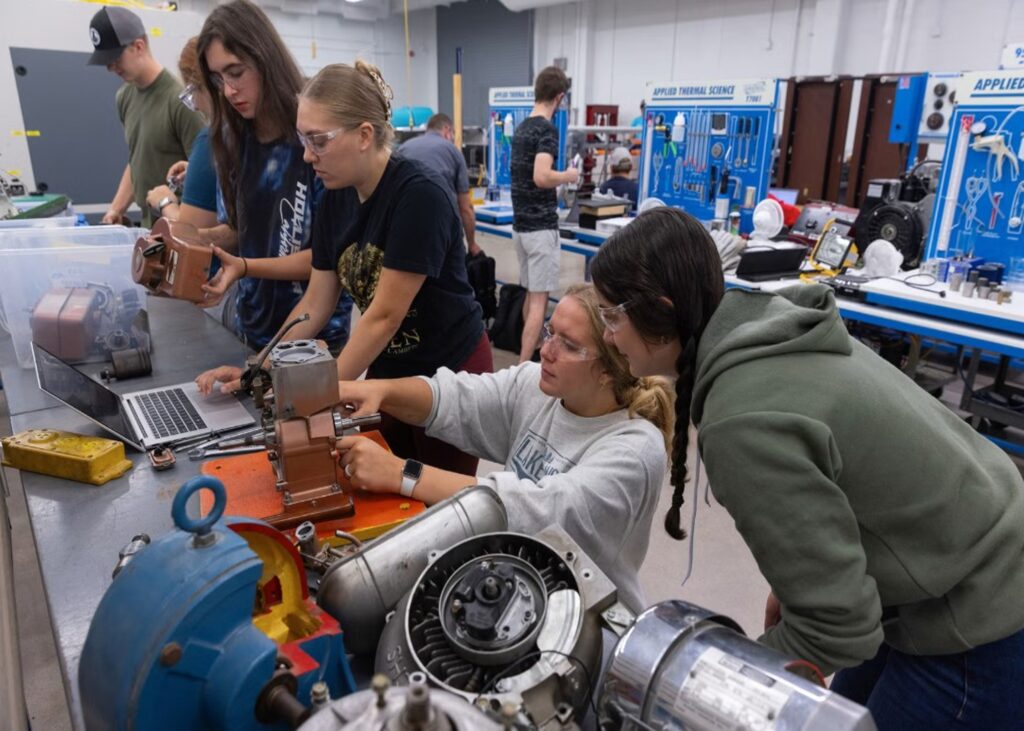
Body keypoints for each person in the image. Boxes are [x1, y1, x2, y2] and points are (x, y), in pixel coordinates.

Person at [590, 206, 1024, 728]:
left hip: (982, 607)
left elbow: (837, 627)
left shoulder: (742, 419)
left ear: (661, 310)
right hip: (957, 556)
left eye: (612, 316)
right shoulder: (767, 326)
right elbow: (847, 483)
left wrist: (713, 683)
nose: (609, 336)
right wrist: (804, 577)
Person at [196, 62, 491, 476]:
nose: (306, 154)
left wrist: (313, 397)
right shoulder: (337, 194)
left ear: (364, 135)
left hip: (448, 372)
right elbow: (314, 305)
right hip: (388, 372)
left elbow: (384, 317)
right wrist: (257, 370)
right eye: (303, 138)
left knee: (438, 503)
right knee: (389, 492)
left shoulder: (419, 195)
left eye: (318, 140)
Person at [335, 285, 672, 612]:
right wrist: (378, 392)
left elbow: (540, 511)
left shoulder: (636, 449)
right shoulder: (537, 387)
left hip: (588, 620)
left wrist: (402, 474)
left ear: (609, 370)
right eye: (549, 332)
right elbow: (456, 398)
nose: (546, 350)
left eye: (568, 345)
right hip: (520, 591)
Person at [194, 0, 351, 351]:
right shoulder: (231, 142)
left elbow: (328, 260)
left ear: (264, 58)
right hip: (251, 333)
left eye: (236, 73)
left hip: (318, 341)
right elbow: (241, 230)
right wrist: (192, 239)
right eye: (218, 79)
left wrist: (246, 266)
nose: (229, 90)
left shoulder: (314, 140)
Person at [88, 6, 204, 227]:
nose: (110, 67)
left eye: (115, 58)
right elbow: (137, 160)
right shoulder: (124, 97)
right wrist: (116, 209)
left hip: (178, 225)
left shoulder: (180, 100)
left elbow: (205, 171)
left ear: (138, 46)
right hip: (148, 223)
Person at [510, 66, 578, 363]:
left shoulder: (522, 127)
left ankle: (532, 348)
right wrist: (568, 175)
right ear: (559, 97)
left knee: (530, 295)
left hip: (521, 228)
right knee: (539, 302)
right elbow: (541, 176)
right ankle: (523, 369)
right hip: (540, 229)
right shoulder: (547, 129)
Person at [145, 37, 218, 228]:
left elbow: (190, 233)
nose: (195, 106)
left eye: (193, 92)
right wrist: (198, 174)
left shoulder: (209, 144)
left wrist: (165, 202)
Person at [398, 113, 482, 257]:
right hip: (443, 233)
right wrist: (472, 244)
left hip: (405, 230)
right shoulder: (453, 152)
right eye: (453, 134)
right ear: (446, 129)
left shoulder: (403, 149)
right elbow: (465, 207)